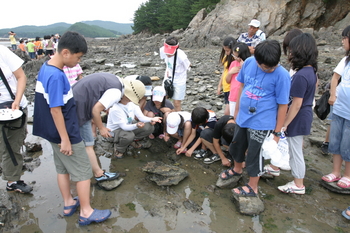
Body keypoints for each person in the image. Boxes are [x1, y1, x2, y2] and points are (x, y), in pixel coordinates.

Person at [32, 31, 111, 225]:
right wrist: (66, 138)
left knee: (62, 169)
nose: (78, 62)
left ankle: (69, 203)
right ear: (66, 52)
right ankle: (86, 211)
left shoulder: (46, 67)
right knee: (83, 172)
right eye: (78, 57)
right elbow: (56, 110)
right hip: (65, 133)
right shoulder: (57, 76)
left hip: (50, 132)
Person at [230, 40, 291, 197]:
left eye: (273, 66)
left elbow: (283, 105)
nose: (270, 69)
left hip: (262, 121)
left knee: (254, 154)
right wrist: (236, 110)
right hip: (243, 116)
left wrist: (277, 133)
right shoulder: (249, 63)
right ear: (257, 59)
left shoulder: (282, 75)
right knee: (237, 145)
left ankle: (253, 186)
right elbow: (242, 86)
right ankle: (236, 169)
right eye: (265, 67)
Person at [265, 33, 318, 195]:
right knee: (294, 150)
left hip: (299, 117)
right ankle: (288, 175)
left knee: (295, 152)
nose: (290, 54)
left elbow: (296, 104)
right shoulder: (311, 71)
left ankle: (298, 184)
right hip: (303, 115)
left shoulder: (301, 76)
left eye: (292, 51)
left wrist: (284, 124)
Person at [72, 73, 140, 182]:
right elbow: (95, 110)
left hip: (75, 98)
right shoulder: (116, 92)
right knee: (88, 144)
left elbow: (96, 93)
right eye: (130, 99)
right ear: (128, 95)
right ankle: (98, 174)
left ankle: (79, 166)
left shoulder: (115, 79)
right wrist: (101, 128)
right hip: (78, 106)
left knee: (79, 141)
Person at [0, 45, 32, 194]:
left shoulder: (2, 51)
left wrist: (17, 101)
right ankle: (12, 180)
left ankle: (12, 176)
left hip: (16, 108)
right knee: (8, 147)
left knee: (14, 144)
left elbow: (21, 76)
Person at [321, 25, 350, 189]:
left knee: (348, 144)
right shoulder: (345, 61)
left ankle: (348, 175)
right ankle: (336, 171)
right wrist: (332, 95)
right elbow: (334, 78)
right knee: (336, 142)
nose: (343, 41)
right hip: (339, 108)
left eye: (345, 38)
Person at [106, 82, 162, 158]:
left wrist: (152, 119)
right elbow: (124, 127)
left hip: (129, 124)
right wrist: (136, 125)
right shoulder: (115, 108)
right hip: (115, 130)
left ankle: (130, 141)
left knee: (149, 127)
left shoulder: (132, 104)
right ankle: (119, 149)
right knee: (129, 135)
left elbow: (141, 117)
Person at [159, 36, 191, 112]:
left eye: (170, 53)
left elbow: (188, 65)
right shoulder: (162, 50)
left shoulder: (181, 56)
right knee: (163, 98)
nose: (168, 55)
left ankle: (178, 117)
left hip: (179, 80)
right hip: (168, 78)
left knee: (176, 103)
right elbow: (164, 58)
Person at [226, 42, 251, 115]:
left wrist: (244, 68)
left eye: (237, 57)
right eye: (234, 55)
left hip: (245, 97)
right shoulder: (233, 63)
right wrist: (230, 72)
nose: (235, 58)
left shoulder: (249, 64)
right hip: (233, 96)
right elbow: (227, 81)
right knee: (233, 116)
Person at [217, 37, 237, 115]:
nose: (226, 53)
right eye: (225, 50)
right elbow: (224, 72)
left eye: (228, 51)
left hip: (231, 87)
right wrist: (219, 85)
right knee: (228, 111)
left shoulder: (236, 59)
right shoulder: (226, 58)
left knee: (228, 112)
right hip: (226, 87)